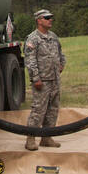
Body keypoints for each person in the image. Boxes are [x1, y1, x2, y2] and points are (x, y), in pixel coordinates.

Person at [24, 9, 65, 151]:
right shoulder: (32, 39)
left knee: (52, 110)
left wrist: (61, 64)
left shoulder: (53, 37)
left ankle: (47, 138)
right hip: (42, 81)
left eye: (51, 17)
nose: (50, 20)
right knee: (38, 110)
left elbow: (60, 53)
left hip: (54, 79)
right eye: (47, 18)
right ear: (39, 20)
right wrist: (36, 78)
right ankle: (30, 139)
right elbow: (30, 60)